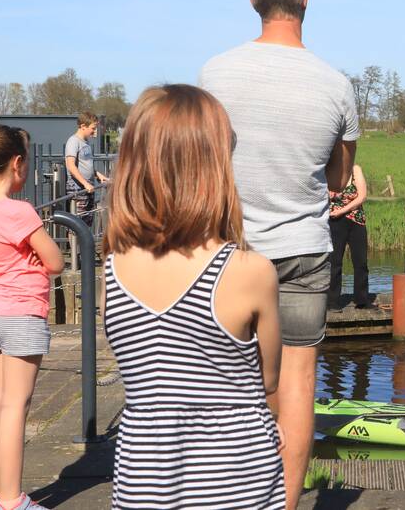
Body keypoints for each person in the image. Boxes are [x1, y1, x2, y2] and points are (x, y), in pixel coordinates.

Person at [199, 0, 359, 509]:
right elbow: (339, 178)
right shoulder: (336, 84)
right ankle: (284, 503)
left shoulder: (214, 74)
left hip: (228, 251)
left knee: (230, 385)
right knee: (296, 379)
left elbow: (204, 161)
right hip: (303, 250)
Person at [100, 86, 284, 509]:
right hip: (237, 479)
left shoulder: (112, 265)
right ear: (214, 164)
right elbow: (268, 380)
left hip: (142, 479)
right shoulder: (249, 271)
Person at [0, 125, 64, 510]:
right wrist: (34, 257)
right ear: (17, 163)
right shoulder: (19, 212)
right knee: (16, 407)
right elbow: (55, 261)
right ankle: (12, 500)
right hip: (20, 313)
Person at [329, 164, 371, 310]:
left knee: (360, 262)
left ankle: (361, 300)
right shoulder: (329, 170)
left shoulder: (356, 169)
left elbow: (362, 196)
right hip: (335, 221)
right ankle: (332, 301)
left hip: (356, 221)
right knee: (334, 262)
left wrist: (342, 210)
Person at [64, 112, 110, 227]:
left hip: (88, 186)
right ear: (83, 126)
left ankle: (84, 245)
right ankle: (76, 245)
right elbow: (70, 165)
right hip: (78, 188)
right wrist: (85, 184)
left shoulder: (86, 143)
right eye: (93, 128)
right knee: (77, 224)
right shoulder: (73, 141)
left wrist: (98, 175)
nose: (94, 132)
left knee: (87, 221)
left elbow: (86, 164)